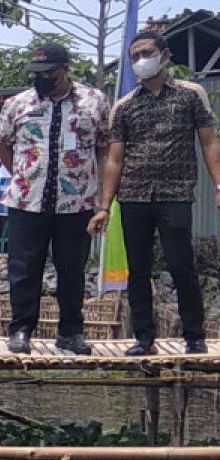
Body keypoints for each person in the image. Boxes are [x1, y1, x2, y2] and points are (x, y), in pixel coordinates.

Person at [89, 30, 220, 356]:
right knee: (138, 269)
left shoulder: (192, 95)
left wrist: (219, 185)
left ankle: (194, 336)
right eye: (134, 57)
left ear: (164, 55)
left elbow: (209, 142)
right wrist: (104, 206)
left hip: (175, 194)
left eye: (145, 53)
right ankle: (144, 338)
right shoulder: (124, 106)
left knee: (181, 265)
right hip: (133, 197)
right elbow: (115, 159)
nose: (139, 61)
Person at [0, 41, 111, 356]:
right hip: (26, 201)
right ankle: (20, 330)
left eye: (48, 73)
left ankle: (71, 332)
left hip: (75, 204)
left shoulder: (94, 102)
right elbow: (1, 142)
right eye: (37, 73)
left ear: (65, 69)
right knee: (24, 269)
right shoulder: (17, 104)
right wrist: (24, 172)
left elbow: (104, 145)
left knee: (72, 269)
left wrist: (97, 191)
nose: (41, 78)